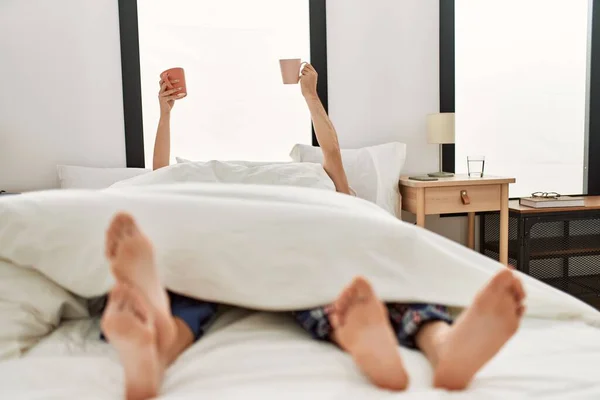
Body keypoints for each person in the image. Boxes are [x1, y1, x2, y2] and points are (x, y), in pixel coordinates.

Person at [100, 65, 526, 399]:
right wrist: (164, 112)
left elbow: (332, 151)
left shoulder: (320, 177)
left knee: (203, 271)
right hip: (263, 232)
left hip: (298, 226)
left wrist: (311, 96)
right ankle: (430, 340)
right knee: (348, 277)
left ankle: (162, 342)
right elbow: (158, 177)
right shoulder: (195, 177)